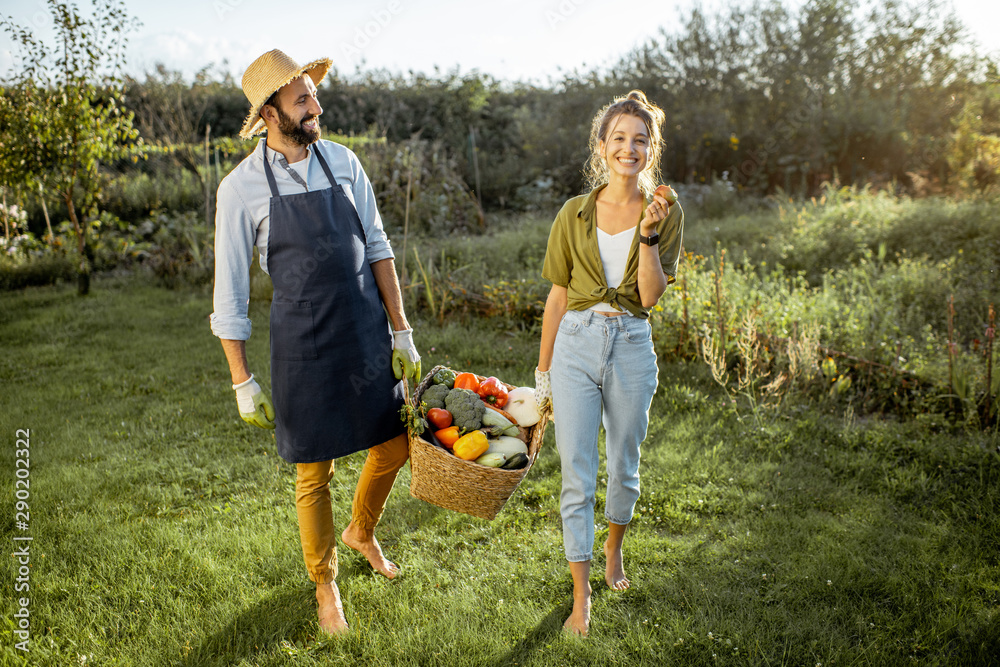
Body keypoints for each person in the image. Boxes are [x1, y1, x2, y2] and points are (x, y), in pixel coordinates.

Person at [210, 49, 421, 635]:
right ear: (270, 112)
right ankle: (325, 584)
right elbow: (229, 294)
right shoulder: (242, 188)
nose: (316, 106)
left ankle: (363, 530)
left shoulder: (344, 162)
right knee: (313, 471)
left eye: (312, 95)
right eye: (302, 99)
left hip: (363, 328)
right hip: (303, 344)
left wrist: (400, 328)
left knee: (396, 445)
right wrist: (242, 380)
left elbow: (377, 247)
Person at [534, 90, 683, 636]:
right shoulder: (573, 213)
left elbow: (649, 297)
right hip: (574, 343)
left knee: (623, 464)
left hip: (630, 345)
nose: (629, 148)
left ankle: (614, 549)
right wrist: (543, 373)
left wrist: (647, 234)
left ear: (651, 148)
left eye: (639, 140)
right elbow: (555, 297)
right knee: (576, 474)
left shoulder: (665, 211)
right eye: (618, 138)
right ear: (601, 147)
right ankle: (581, 593)